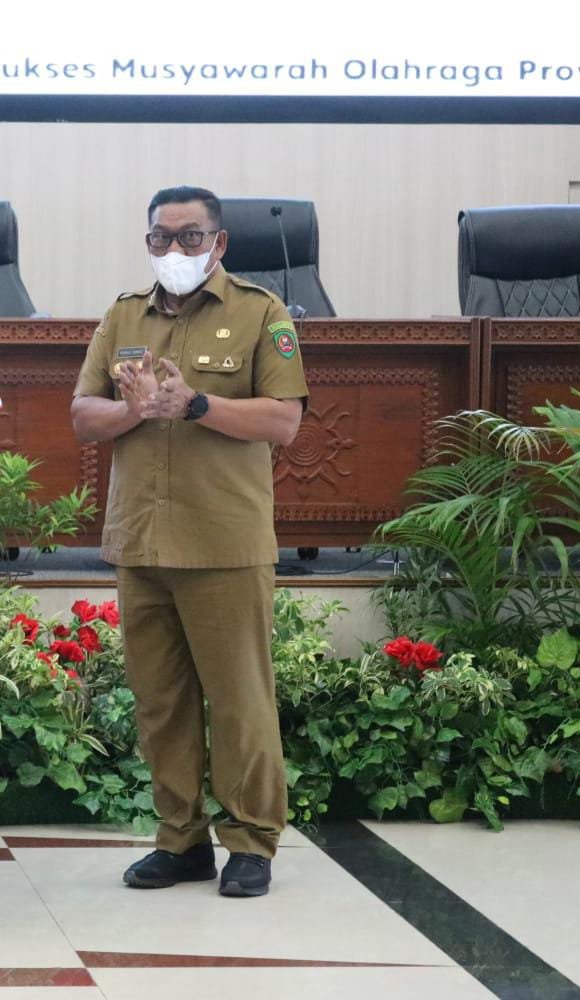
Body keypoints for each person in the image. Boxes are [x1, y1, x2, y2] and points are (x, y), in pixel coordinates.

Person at [71, 185, 308, 897]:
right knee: (161, 704)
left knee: (239, 701)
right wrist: (133, 410)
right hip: (143, 541)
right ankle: (181, 841)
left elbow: (284, 421)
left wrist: (197, 404)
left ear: (219, 243)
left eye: (189, 237)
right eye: (160, 237)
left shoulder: (260, 312)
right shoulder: (123, 315)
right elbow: (83, 416)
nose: (173, 249)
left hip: (223, 541)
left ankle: (251, 842)